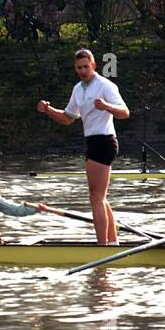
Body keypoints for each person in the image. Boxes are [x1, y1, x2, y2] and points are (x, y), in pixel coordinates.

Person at [36, 49, 130, 245]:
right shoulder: (78, 89)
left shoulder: (105, 85)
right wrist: (48, 110)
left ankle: (102, 246)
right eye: (79, 68)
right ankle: (112, 243)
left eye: (86, 67)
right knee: (99, 196)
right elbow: (68, 118)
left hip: (105, 141)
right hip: (92, 142)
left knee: (95, 197)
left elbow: (124, 112)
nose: (82, 70)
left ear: (93, 65)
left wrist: (106, 106)